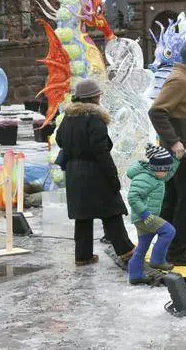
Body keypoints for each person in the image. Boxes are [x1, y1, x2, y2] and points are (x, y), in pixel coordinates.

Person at [55, 79, 135, 266]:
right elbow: (101, 151)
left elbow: (59, 140)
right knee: (111, 212)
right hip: (95, 172)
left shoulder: (68, 118)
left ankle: (83, 256)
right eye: (98, 94)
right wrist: (112, 176)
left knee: (82, 216)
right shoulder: (94, 118)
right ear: (93, 97)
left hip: (74, 173)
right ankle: (126, 251)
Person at [149, 39, 186, 266]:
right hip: (181, 154)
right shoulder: (178, 80)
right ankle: (176, 252)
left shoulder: (183, 78)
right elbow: (156, 112)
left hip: (181, 152)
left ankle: (165, 248)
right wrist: (174, 142)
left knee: (173, 201)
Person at [126, 144, 180, 285]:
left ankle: (135, 275)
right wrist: (145, 214)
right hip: (144, 217)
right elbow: (133, 197)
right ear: (157, 168)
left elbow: (169, 172)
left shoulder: (157, 176)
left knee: (142, 247)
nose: (167, 173)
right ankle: (157, 260)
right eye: (165, 170)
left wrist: (176, 160)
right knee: (169, 231)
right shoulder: (144, 177)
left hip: (145, 217)